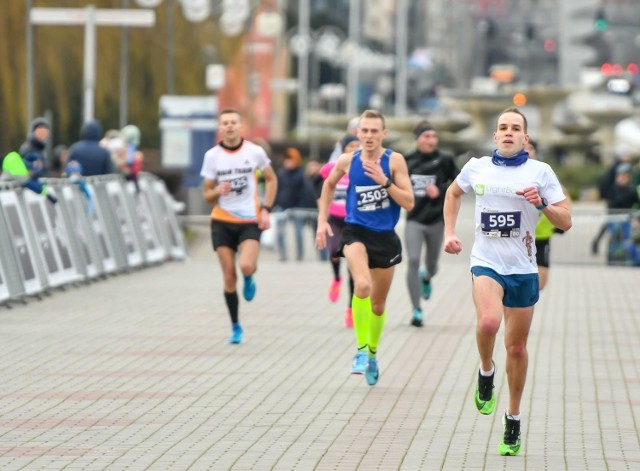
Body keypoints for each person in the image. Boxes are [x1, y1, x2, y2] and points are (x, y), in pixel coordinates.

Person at [443, 107, 571, 456]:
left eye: (516, 128)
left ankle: (512, 417)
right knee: (488, 321)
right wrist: (450, 232)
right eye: (503, 127)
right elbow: (453, 194)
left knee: (516, 348)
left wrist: (543, 203)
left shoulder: (541, 172)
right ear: (495, 136)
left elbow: (566, 221)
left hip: (523, 269)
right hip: (486, 263)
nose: (509, 132)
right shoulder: (476, 167)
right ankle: (486, 373)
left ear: (525, 137)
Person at [316, 110, 414, 386]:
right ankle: (360, 351)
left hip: (384, 236)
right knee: (362, 285)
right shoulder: (348, 160)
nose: (369, 136)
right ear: (357, 134)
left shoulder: (394, 161)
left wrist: (385, 181)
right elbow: (327, 184)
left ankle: (372, 353)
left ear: (383, 133)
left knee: (378, 305)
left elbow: (408, 202)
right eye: (364, 131)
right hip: (354, 231)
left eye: (374, 131)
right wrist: (322, 221)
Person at [200, 108, 277, 344]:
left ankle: (250, 276)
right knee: (229, 277)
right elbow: (206, 195)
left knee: (245, 266)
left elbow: (272, 179)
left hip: (249, 220)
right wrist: (216, 191)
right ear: (220, 128)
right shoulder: (212, 156)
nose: (230, 126)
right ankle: (235, 326)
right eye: (225, 123)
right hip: (222, 220)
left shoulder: (254, 152)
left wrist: (266, 209)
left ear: (241, 126)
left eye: (234, 122)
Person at [403, 121, 459, 327]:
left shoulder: (444, 160)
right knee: (413, 260)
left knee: (433, 266)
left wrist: (441, 189)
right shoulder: (407, 160)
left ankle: (426, 278)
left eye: (434, 137)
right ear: (417, 138)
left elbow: (461, 182)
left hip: (436, 220)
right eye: (426, 136)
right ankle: (416, 310)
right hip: (414, 219)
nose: (430, 140)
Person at [319, 134, 360, 327]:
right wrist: (320, 206)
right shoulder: (333, 167)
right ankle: (336, 278)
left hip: (353, 221)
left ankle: (350, 309)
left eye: (356, 145)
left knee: (353, 267)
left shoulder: (362, 167)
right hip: (334, 219)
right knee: (334, 252)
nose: (353, 148)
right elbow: (318, 183)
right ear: (343, 149)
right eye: (350, 145)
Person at [524, 140, 572, 290]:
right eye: (523, 148)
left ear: (535, 152)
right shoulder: (510, 172)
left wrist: (561, 216)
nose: (527, 151)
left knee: (541, 282)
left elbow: (564, 196)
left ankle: (524, 306)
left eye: (530, 148)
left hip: (541, 235)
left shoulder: (543, 172)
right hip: (518, 236)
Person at [591, 147, 635, 255]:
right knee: (611, 222)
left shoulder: (618, 167)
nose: (628, 157)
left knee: (610, 222)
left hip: (615, 199)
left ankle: (598, 242)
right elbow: (610, 184)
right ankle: (605, 245)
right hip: (615, 199)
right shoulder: (618, 168)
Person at [274, 147, 309, 262]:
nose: (287, 162)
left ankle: (300, 255)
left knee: (299, 233)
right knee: (280, 232)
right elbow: (276, 189)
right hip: (281, 206)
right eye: (286, 159)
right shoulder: (280, 173)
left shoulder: (300, 175)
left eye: (290, 159)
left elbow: (304, 192)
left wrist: (302, 206)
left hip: (297, 207)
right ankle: (282, 255)